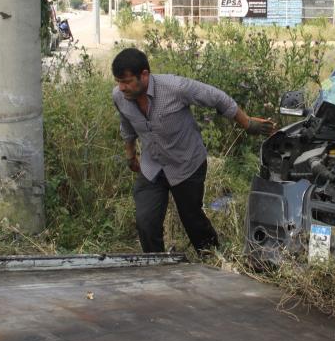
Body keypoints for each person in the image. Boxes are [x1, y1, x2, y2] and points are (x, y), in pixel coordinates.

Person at [111, 47, 275, 253]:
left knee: (192, 218)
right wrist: (130, 154)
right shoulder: (119, 96)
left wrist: (247, 123)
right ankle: (156, 265)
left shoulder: (175, 88)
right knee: (146, 221)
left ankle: (212, 257)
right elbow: (126, 124)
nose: (121, 87)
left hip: (186, 163)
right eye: (118, 81)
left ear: (144, 75)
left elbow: (218, 97)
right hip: (152, 165)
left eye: (126, 82)